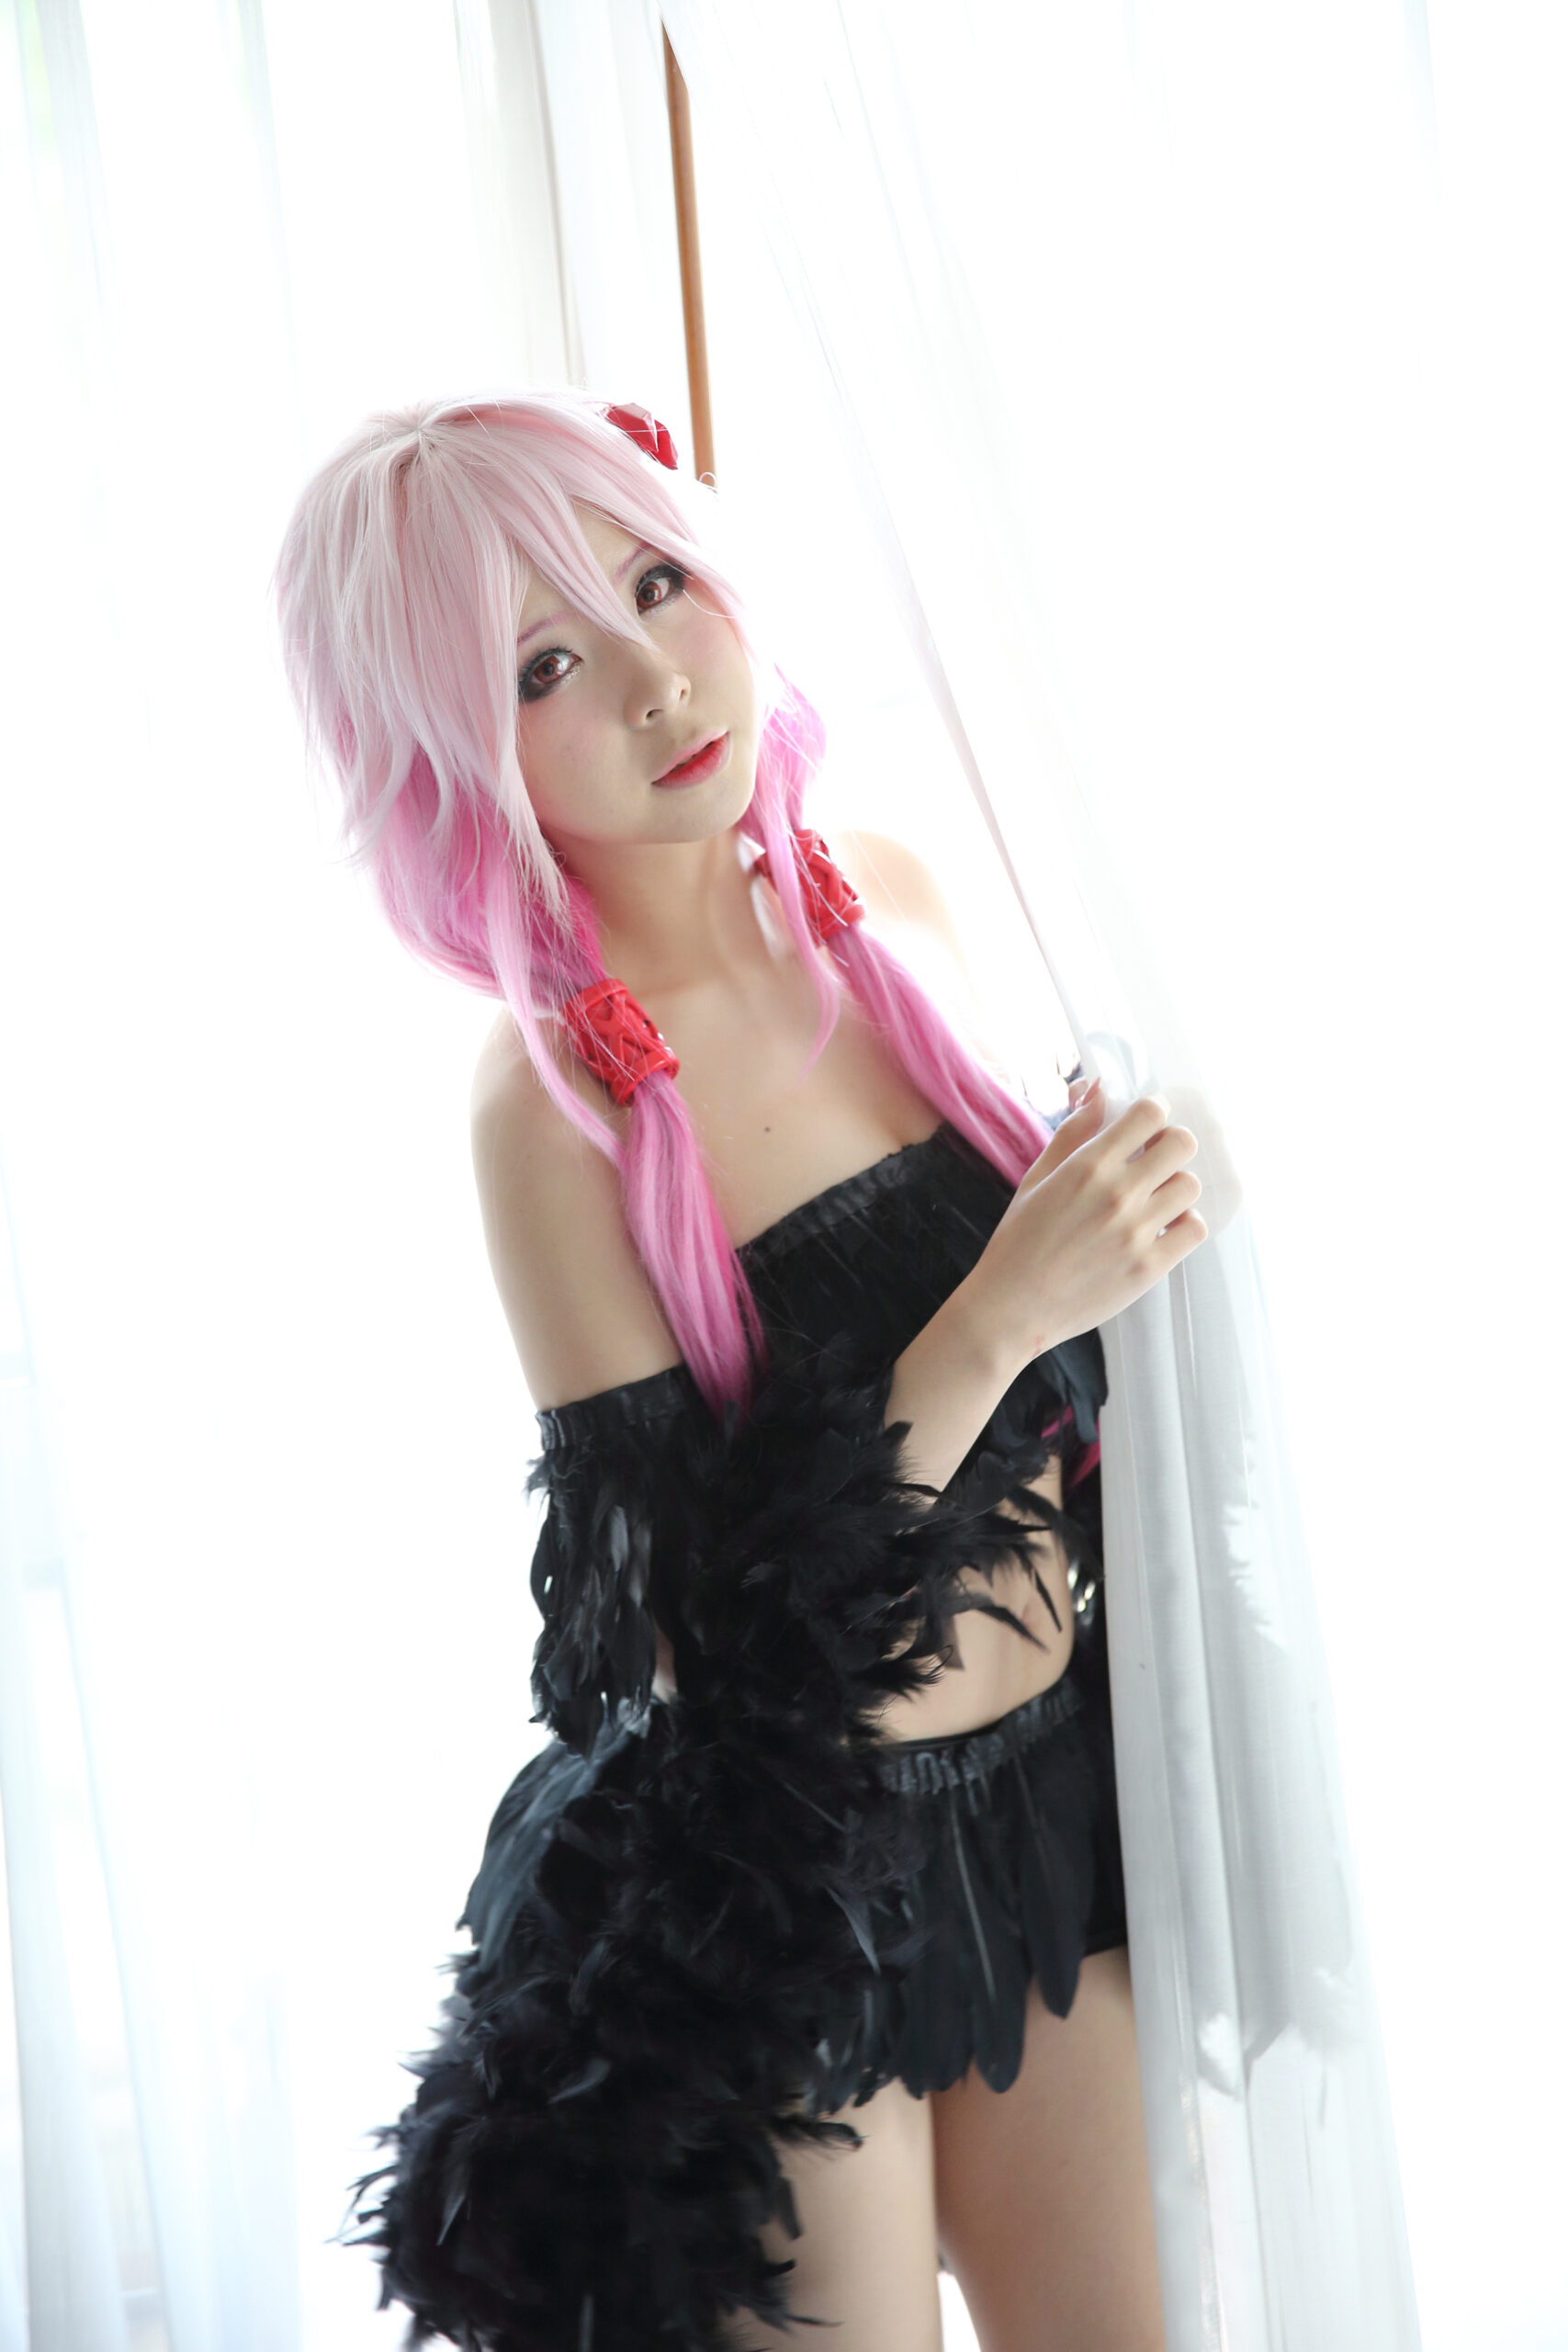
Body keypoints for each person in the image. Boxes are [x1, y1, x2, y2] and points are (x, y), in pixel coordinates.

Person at [273, 390, 1206, 2352]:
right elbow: (701, 1647)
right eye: (541, 667)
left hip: (1039, 1821)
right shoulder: (550, 1115)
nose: (654, 680)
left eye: (656, 583)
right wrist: (995, 1311)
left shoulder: (894, 902)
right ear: (454, 755)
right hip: (768, 1891)